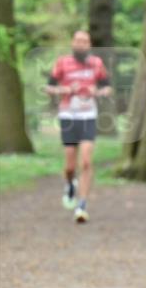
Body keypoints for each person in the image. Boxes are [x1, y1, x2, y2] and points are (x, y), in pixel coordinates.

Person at [44, 30, 112, 223]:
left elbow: (108, 88)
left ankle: (81, 205)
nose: (81, 44)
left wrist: (97, 92)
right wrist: (65, 89)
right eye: (78, 41)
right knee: (70, 166)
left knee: (87, 162)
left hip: (88, 115)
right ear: (72, 43)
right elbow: (48, 88)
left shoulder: (97, 63)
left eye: (85, 41)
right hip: (68, 115)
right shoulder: (62, 63)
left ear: (89, 45)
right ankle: (69, 183)